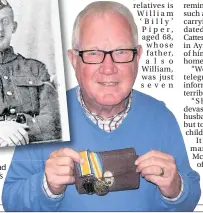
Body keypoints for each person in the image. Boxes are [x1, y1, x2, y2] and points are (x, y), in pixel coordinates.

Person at [2, 1, 201, 211]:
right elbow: (11, 201)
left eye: (122, 51)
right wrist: (47, 186)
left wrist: (175, 188)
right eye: (94, 53)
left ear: (138, 56)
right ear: (73, 60)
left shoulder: (161, 117)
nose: (108, 68)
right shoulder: (47, 112)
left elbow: (189, 197)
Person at [0, 0, 61, 146]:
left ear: (14, 27)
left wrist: (16, 128)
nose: (0, 28)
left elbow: (53, 122)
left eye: (5, 21)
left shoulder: (36, 69)